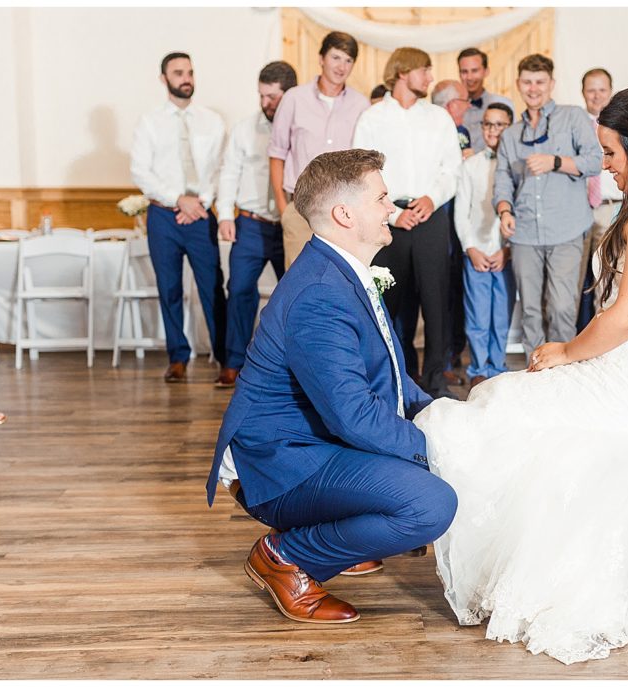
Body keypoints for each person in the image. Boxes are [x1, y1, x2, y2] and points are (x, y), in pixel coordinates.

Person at [415, 85, 628, 663]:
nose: (606, 164)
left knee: (500, 407)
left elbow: (626, 318)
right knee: (499, 397)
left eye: (611, 153)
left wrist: (568, 352)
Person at [206, 149, 457, 624]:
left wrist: (449, 417)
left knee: (434, 465)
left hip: (317, 440)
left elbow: (390, 377)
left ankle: (341, 529)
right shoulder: (321, 290)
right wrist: (438, 446)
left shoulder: (345, 269)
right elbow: (353, 414)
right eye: (381, 197)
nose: (391, 207)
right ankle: (287, 557)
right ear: (345, 214)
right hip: (281, 462)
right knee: (430, 503)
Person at [353, 48, 463, 399]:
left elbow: (452, 167)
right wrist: (393, 211)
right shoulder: (372, 117)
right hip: (387, 217)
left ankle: (434, 380)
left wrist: (432, 197)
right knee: (390, 303)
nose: (430, 77)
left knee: (436, 301)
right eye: (425, 70)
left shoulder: (438, 117)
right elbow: (362, 172)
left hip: (431, 214)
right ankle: (397, 378)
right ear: (403, 72)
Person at [494, 53, 602, 360]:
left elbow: (596, 161)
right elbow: (502, 178)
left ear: (551, 84)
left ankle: (561, 378)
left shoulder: (573, 117)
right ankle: (535, 376)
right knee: (529, 310)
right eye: (527, 82)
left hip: (567, 228)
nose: (533, 88)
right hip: (525, 232)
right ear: (518, 84)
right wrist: (504, 209)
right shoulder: (512, 134)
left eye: (540, 82)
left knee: (561, 308)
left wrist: (556, 162)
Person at [130, 51, 227, 383]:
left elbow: (219, 168)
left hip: (200, 215)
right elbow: (140, 172)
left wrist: (200, 203)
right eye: (177, 72)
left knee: (212, 287)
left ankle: (225, 358)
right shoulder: (149, 122)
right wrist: (178, 200)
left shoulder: (212, 120)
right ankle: (177, 356)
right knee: (169, 288)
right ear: (164, 79)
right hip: (163, 217)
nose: (186, 78)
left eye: (189, 72)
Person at [214, 61, 298, 388]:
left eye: (273, 97)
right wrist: (224, 214)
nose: (266, 104)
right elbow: (229, 171)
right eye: (262, 96)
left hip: (289, 223)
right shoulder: (243, 129)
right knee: (238, 290)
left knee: (293, 295)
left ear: (290, 95)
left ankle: (292, 365)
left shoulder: (300, 129)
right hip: (250, 223)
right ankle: (233, 363)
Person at [268, 31, 369, 270]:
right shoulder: (294, 98)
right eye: (336, 57)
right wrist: (285, 210)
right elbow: (277, 155)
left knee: (341, 282)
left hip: (345, 212)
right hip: (300, 209)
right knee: (300, 282)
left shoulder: (361, 105)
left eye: (348, 60)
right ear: (321, 58)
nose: (341, 66)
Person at [454, 103, 516, 388]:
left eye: (500, 125)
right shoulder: (470, 165)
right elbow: (461, 212)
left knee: (501, 314)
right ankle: (478, 367)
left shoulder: (517, 166)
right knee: (478, 314)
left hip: (505, 253)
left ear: (510, 127)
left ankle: (498, 365)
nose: (493, 130)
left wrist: (507, 249)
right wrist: (471, 248)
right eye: (488, 124)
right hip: (477, 252)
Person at [431, 78, 475, 386]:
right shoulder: (432, 129)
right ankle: (438, 362)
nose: (469, 107)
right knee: (438, 293)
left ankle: (452, 354)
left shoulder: (463, 132)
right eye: (464, 102)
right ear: (450, 105)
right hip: (435, 217)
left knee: (454, 292)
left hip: (460, 220)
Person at [576, 67, 623, 329]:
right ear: (583, 93)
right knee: (573, 282)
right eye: (591, 90)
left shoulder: (622, 126)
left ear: (611, 91)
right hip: (578, 210)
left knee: (605, 279)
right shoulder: (573, 124)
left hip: (610, 209)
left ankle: (600, 340)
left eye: (602, 90)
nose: (596, 96)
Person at [457, 47, 514, 152]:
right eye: (464, 71)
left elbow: (511, 143)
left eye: (475, 71)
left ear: (486, 71)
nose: (469, 77)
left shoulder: (503, 104)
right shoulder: (451, 108)